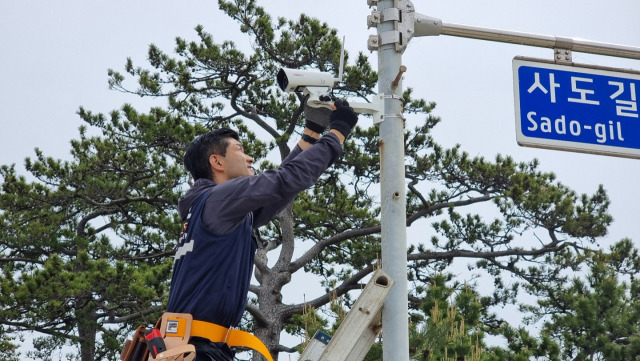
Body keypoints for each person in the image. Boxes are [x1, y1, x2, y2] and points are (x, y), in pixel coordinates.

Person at [166, 100, 359, 360]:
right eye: (240, 150)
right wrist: (337, 132)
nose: (250, 157)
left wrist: (311, 133)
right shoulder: (220, 199)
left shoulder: (211, 207)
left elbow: (282, 185)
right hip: (198, 351)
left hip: (196, 347)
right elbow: (285, 179)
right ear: (217, 162)